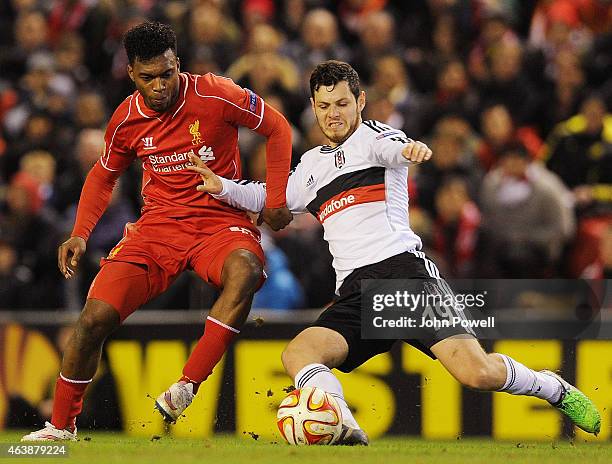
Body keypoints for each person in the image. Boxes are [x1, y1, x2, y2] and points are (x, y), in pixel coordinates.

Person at [189, 61, 601, 445]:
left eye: (342, 103)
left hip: (405, 280)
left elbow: (396, 148)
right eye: (324, 105)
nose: (333, 114)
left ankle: (552, 387)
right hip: (356, 293)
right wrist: (222, 186)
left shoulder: (374, 138)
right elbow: (269, 196)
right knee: (299, 352)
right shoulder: (312, 166)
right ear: (313, 108)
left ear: (360, 102)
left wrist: (412, 151)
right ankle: (342, 426)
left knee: (478, 373)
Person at [22, 22, 293, 441]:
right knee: (93, 318)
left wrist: (275, 197)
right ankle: (60, 428)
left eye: (167, 74)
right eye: (148, 77)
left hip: (221, 224)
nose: (160, 85)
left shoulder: (217, 93)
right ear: (131, 73)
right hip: (158, 230)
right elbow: (103, 174)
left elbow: (277, 127)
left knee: (246, 271)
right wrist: (79, 232)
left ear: (177, 64)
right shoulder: (126, 119)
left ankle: (187, 385)